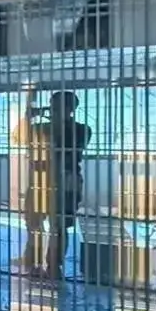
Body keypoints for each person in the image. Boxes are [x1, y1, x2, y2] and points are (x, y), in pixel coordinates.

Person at [32, 91, 91, 280]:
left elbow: (65, 145)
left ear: (70, 109)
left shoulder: (82, 129)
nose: (52, 110)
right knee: (35, 223)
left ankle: (53, 267)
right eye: (51, 106)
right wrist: (30, 116)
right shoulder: (44, 127)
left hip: (67, 182)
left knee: (59, 226)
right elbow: (18, 136)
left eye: (56, 107)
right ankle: (37, 263)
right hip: (44, 181)